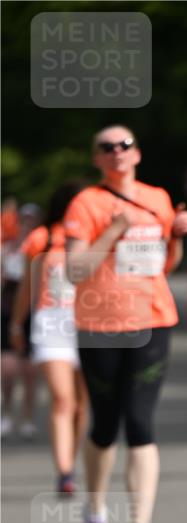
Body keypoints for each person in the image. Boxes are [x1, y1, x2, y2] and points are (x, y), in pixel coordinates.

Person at [64, 125, 187, 523]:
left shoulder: (157, 197)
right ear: (97, 158)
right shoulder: (86, 203)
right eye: (107, 147)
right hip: (99, 326)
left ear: (137, 153)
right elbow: (75, 270)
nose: (117, 152)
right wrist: (113, 230)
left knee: (140, 423)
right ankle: (96, 512)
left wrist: (176, 235)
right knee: (105, 425)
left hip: (152, 321)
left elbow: (165, 263)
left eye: (125, 145)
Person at [10, 182, 88, 494]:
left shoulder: (96, 235)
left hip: (90, 323)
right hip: (52, 322)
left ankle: (73, 455)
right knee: (62, 398)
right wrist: (17, 326)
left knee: (83, 405)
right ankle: (64, 472)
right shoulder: (42, 238)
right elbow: (27, 287)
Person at [1, 202, 41, 438]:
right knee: (6, 369)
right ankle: (6, 413)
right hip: (7, 311)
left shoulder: (42, 247)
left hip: (32, 312)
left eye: (31, 220)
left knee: (29, 371)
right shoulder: (6, 248)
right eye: (24, 219)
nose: (27, 224)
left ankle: (27, 417)